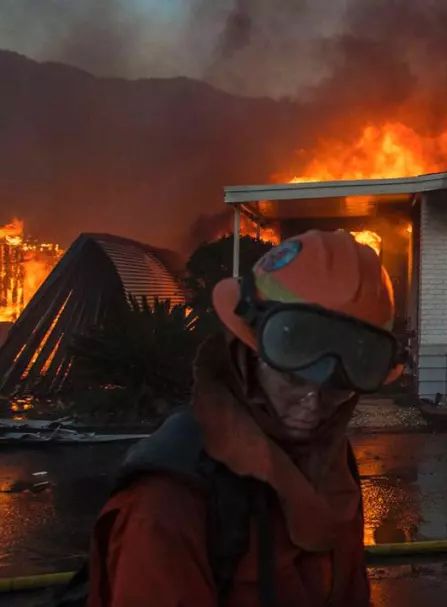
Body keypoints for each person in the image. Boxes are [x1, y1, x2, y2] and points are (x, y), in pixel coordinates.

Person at [71, 230, 401, 606]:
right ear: (247, 353)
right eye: (293, 377)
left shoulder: (333, 465)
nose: (312, 404)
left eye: (337, 387)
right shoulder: (168, 503)